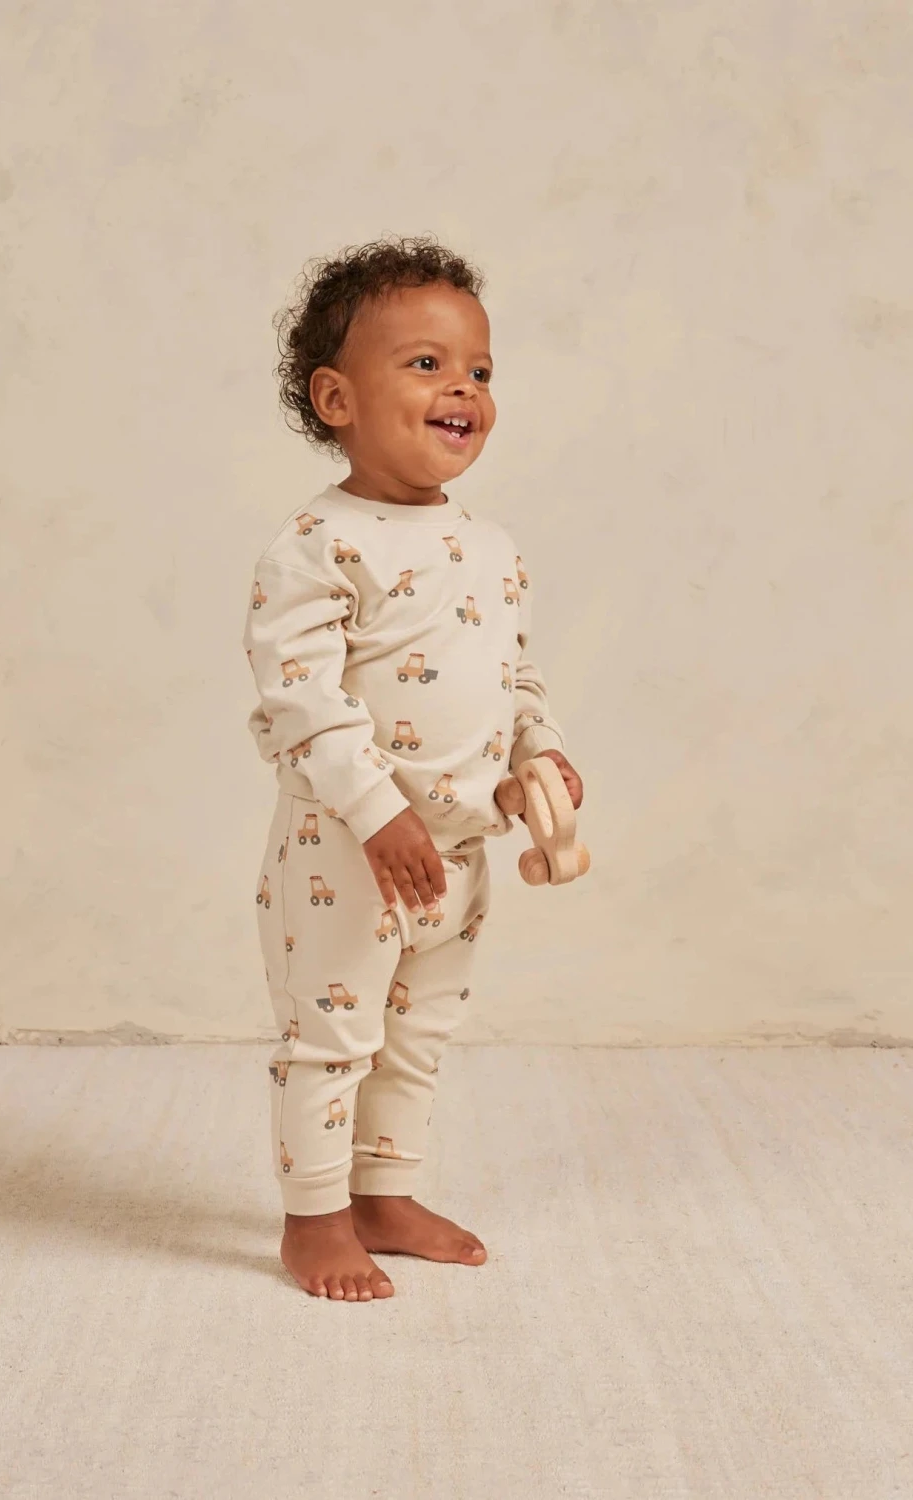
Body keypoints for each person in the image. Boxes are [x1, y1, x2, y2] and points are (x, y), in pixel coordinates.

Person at [242, 236, 585, 1301]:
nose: (463, 390)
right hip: (347, 851)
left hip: (459, 855)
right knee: (332, 1036)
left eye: (479, 370)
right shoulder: (318, 544)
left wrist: (537, 755)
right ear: (337, 398)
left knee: (417, 1037)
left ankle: (384, 1193)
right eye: (427, 365)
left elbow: (513, 676)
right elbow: (301, 701)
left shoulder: (493, 547)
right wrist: (376, 810)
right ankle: (314, 1220)